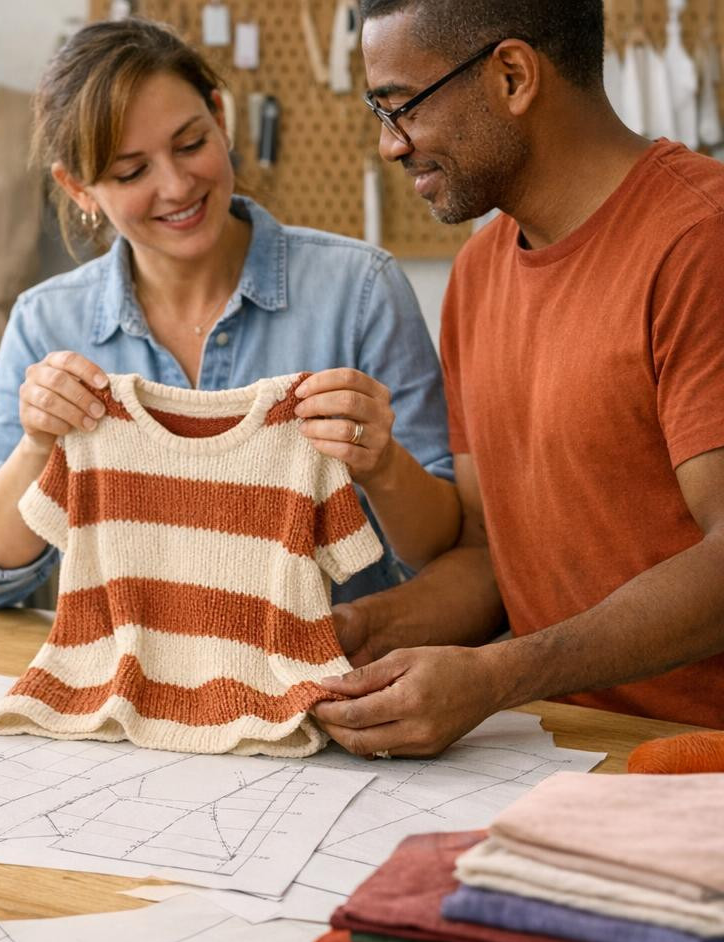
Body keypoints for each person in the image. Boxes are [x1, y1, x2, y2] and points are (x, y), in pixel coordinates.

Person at [310, 0, 724, 758]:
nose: (387, 146)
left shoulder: (702, 244)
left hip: (692, 764)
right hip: (550, 750)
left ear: (511, 76)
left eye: (400, 108)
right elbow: (485, 554)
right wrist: (352, 631)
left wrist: (499, 675)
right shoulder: (476, 276)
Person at [0, 18, 461, 613]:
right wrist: (36, 448)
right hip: (126, 691)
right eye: (132, 172)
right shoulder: (47, 322)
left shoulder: (359, 291)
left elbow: (444, 552)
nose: (178, 185)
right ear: (78, 188)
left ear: (220, 114)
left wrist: (383, 465)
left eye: (190, 144)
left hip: (324, 684)